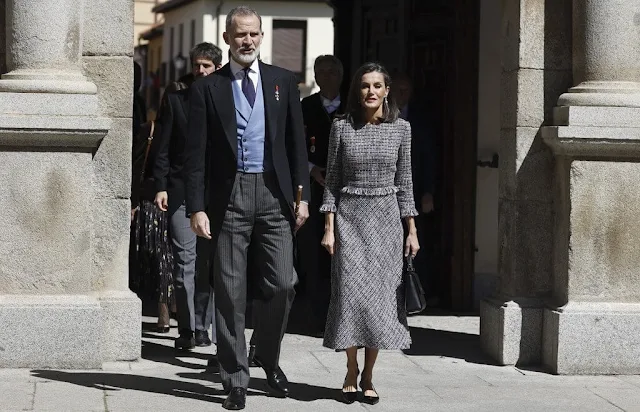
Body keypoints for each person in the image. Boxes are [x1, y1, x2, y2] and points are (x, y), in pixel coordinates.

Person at [182, 6, 310, 411]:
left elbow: (295, 144)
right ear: (227, 38)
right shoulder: (206, 89)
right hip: (228, 196)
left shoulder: (282, 81)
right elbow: (196, 154)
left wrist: (302, 196)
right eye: (240, 35)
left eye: (254, 34)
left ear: (261, 36)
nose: (248, 41)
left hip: (274, 194)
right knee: (230, 291)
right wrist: (197, 207)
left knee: (284, 283)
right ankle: (236, 377)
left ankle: (266, 357)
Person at [320, 62, 420, 405]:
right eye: (365, 86)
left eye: (378, 85)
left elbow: (405, 183)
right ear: (357, 91)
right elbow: (332, 181)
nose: (371, 92)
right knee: (350, 297)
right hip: (349, 220)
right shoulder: (341, 128)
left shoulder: (402, 130)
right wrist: (329, 227)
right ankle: (350, 368)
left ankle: (369, 375)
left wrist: (412, 230)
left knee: (379, 303)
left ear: (387, 91)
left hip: (387, 224)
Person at [152, 42, 223, 351]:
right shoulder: (176, 101)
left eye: (207, 66)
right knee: (185, 264)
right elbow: (163, 148)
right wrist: (161, 185)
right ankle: (186, 330)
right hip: (180, 193)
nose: (201, 70)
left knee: (211, 266)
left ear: (217, 68)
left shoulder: (227, 103)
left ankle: (203, 326)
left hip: (215, 195)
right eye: (197, 65)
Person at [298, 55, 344, 335]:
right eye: (321, 72)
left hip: (346, 194)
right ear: (315, 76)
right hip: (314, 190)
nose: (326, 77)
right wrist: (312, 170)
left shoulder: (353, 108)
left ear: (340, 75)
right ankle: (316, 318)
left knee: (342, 256)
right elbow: (295, 146)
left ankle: (341, 317)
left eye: (332, 72)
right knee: (313, 256)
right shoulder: (305, 107)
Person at [130, 83, 179, 333]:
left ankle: (172, 306)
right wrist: (132, 202)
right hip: (152, 204)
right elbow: (135, 168)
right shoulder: (151, 130)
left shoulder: (193, 131)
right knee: (161, 259)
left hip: (180, 204)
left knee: (172, 259)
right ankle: (163, 310)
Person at [393, 73, 439, 306]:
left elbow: (430, 156)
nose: (401, 94)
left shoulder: (420, 119)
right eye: (398, 89)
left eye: (405, 90)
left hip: (415, 187)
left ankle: (416, 294)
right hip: (388, 191)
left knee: (415, 242)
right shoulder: (382, 116)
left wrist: (428, 191)